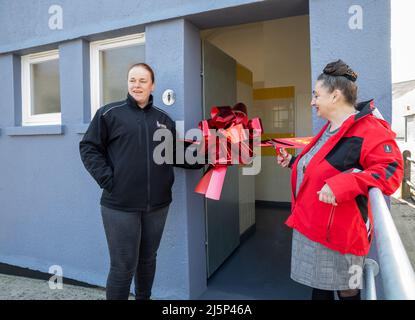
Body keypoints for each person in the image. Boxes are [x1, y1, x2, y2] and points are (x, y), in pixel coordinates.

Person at [277, 60, 403, 300]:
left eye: (316, 95)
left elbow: (391, 171)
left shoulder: (370, 129)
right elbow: (326, 165)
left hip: (341, 237)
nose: (312, 101)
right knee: (319, 288)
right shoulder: (330, 127)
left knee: (347, 291)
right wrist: (294, 163)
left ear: (334, 96)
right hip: (312, 228)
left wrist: (342, 184)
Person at [79, 63, 202, 300]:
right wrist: (108, 179)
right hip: (119, 206)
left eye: (142, 81)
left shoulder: (164, 119)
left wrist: (212, 156)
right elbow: (89, 148)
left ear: (152, 85)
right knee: (122, 266)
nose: (137, 85)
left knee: (147, 261)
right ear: (127, 83)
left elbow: (176, 153)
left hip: (157, 206)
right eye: (132, 80)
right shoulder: (109, 114)